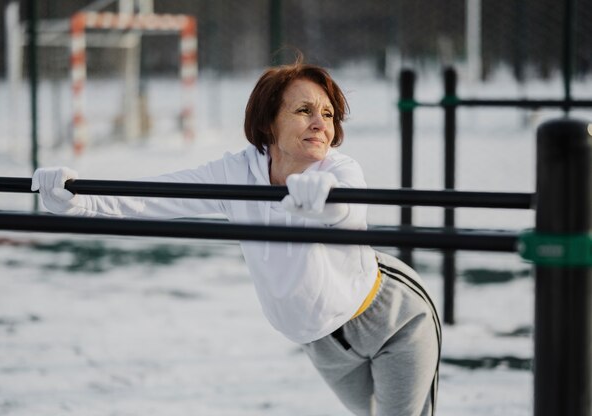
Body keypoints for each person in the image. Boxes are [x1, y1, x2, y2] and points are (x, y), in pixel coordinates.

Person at [32, 59, 441, 416]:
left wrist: (323, 203)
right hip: (321, 343)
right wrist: (77, 197)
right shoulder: (238, 173)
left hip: (391, 319)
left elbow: (349, 212)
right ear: (268, 121)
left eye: (329, 115)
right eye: (304, 110)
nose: (321, 123)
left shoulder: (339, 170)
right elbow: (154, 198)